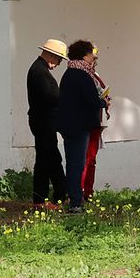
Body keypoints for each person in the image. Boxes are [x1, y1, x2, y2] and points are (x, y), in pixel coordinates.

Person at [55, 40, 104, 214]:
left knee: (74, 163)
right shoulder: (82, 74)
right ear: (84, 55)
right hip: (79, 126)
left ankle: (75, 198)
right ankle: (75, 202)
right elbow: (91, 100)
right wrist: (103, 101)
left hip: (70, 125)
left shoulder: (70, 73)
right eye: (92, 53)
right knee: (77, 163)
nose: (94, 56)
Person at [26, 38, 68, 207]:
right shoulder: (40, 72)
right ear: (51, 55)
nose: (58, 64)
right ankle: (52, 197)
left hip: (43, 121)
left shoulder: (39, 69)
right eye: (58, 59)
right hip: (43, 122)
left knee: (47, 159)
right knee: (49, 159)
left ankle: (50, 197)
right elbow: (51, 98)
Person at [80, 47, 113, 201]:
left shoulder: (95, 76)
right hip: (88, 122)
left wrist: (105, 100)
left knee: (91, 159)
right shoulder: (83, 75)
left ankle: (88, 191)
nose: (94, 62)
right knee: (86, 159)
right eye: (93, 58)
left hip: (96, 122)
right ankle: (80, 192)